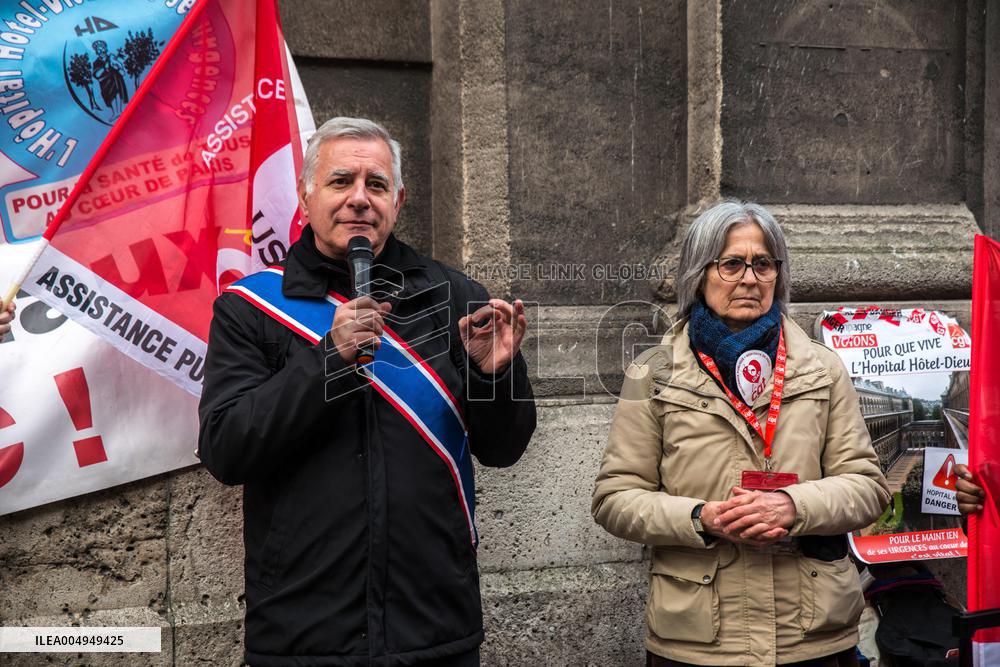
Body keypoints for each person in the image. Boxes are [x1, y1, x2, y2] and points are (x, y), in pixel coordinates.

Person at [198, 117, 536, 667]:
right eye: (340, 182)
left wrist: (493, 376)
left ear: (397, 201)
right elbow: (225, 447)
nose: (359, 199)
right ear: (306, 197)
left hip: (434, 627)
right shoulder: (249, 307)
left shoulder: (455, 295)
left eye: (375, 185)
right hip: (303, 633)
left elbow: (505, 449)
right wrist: (329, 360)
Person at [592, 200, 890, 666]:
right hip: (700, 638)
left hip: (810, 636)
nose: (750, 279)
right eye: (732, 264)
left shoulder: (823, 368)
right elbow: (615, 499)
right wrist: (702, 518)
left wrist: (794, 506)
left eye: (763, 264)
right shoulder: (652, 374)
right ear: (698, 273)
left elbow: (868, 488)